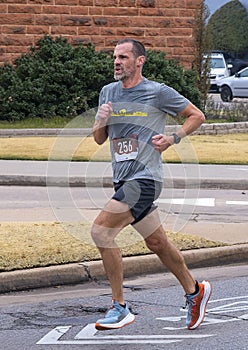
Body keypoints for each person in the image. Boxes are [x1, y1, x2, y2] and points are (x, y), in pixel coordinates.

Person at [91, 38, 212, 331]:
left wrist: (172, 138)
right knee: (156, 242)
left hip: (144, 178)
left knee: (100, 232)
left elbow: (197, 115)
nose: (116, 62)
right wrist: (101, 119)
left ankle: (119, 307)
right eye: (115, 57)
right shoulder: (108, 92)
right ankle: (195, 291)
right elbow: (98, 138)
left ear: (139, 61)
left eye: (123, 57)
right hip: (122, 178)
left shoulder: (156, 92)